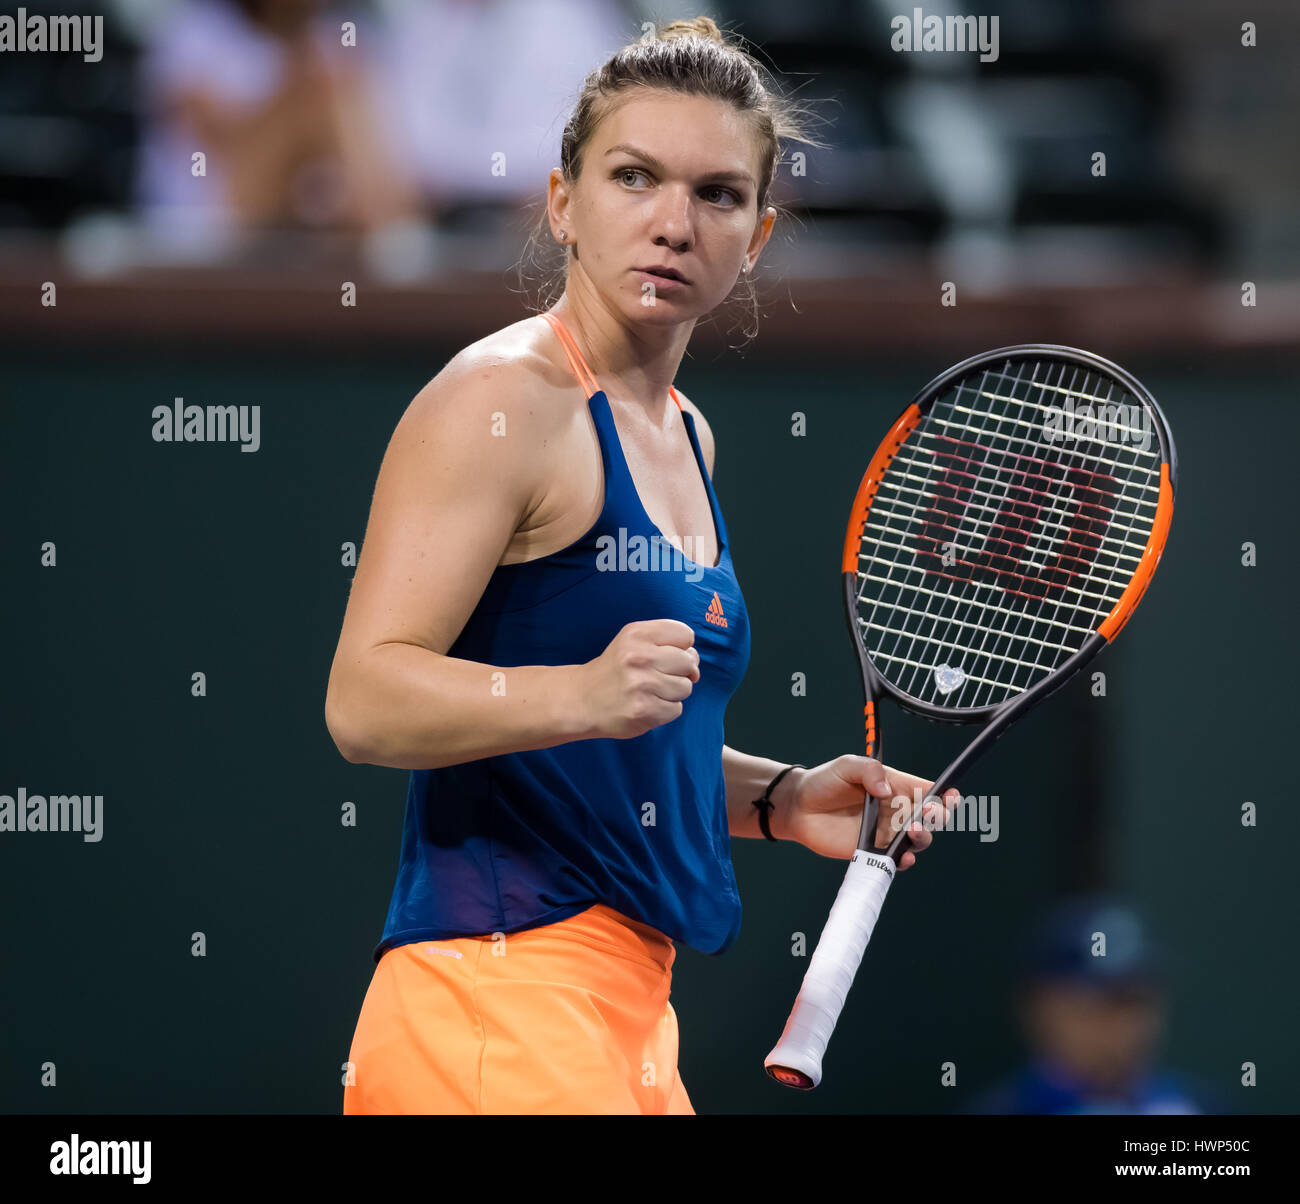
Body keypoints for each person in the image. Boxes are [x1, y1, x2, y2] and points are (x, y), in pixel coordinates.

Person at [327, 15, 960, 1116]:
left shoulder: (684, 431)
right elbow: (364, 701)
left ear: (755, 236)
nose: (674, 222)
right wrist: (580, 690)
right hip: (491, 1006)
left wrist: (780, 798)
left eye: (717, 195)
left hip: (620, 1019)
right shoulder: (500, 401)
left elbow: (613, 751)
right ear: (561, 201)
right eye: (634, 177)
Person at [968, 895, 1219, 1114]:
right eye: (1099, 1003)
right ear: (1040, 1008)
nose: (1125, 1025)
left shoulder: (1203, 1107)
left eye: (1138, 1001)